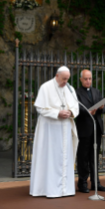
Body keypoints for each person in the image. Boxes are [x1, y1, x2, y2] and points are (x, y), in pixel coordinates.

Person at [30, 66, 79, 198]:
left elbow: (76, 106)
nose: (65, 82)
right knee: (50, 158)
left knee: (65, 157)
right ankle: (49, 189)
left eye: (67, 79)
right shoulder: (46, 87)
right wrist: (57, 113)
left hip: (65, 129)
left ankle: (65, 190)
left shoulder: (70, 89)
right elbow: (40, 108)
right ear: (57, 76)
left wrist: (71, 112)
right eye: (63, 79)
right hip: (50, 130)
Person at [76, 69, 105, 193]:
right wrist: (88, 111)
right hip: (84, 129)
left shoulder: (96, 91)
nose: (88, 81)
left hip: (96, 128)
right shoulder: (76, 93)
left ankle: (96, 183)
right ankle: (82, 183)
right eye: (85, 79)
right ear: (81, 79)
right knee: (83, 157)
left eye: (90, 78)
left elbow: (104, 110)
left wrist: (102, 107)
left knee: (94, 158)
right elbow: (76, 109)